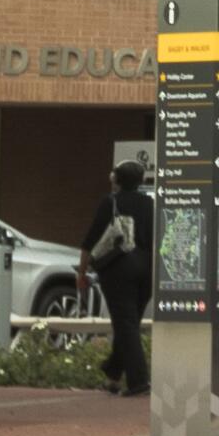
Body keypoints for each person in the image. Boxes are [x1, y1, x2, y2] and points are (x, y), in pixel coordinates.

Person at [88, 153, 158, 399]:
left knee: (125, 324)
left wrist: (84, 268)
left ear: (115, 178)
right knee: (129, 323)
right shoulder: (150, 204)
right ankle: (113, 374)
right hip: (148, 268)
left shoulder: (111, 202)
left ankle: (139, 381)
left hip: (119, 269)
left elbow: (92, 238)